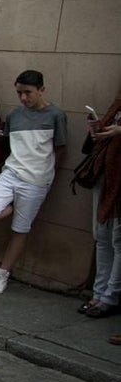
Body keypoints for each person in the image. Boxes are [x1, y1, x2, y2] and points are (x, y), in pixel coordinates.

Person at [0, 71, 67, 294]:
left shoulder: (56, 115)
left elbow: (61, 148)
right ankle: (13, 205)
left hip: (37, 180)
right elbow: (7, 144)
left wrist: (48, 175)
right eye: (19, 93)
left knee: (20, 229)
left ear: (41, 90)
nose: (24, 98)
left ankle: (2, 273)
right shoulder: (15, 115)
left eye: (28, 92)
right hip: (11, 172)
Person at [79, 89, 121, 317]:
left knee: (117, 238)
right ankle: (98, 293)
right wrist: (98, 129)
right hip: (106, 171)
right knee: (101, 235)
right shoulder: (117, 102)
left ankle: (111, 296)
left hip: (117, 176)